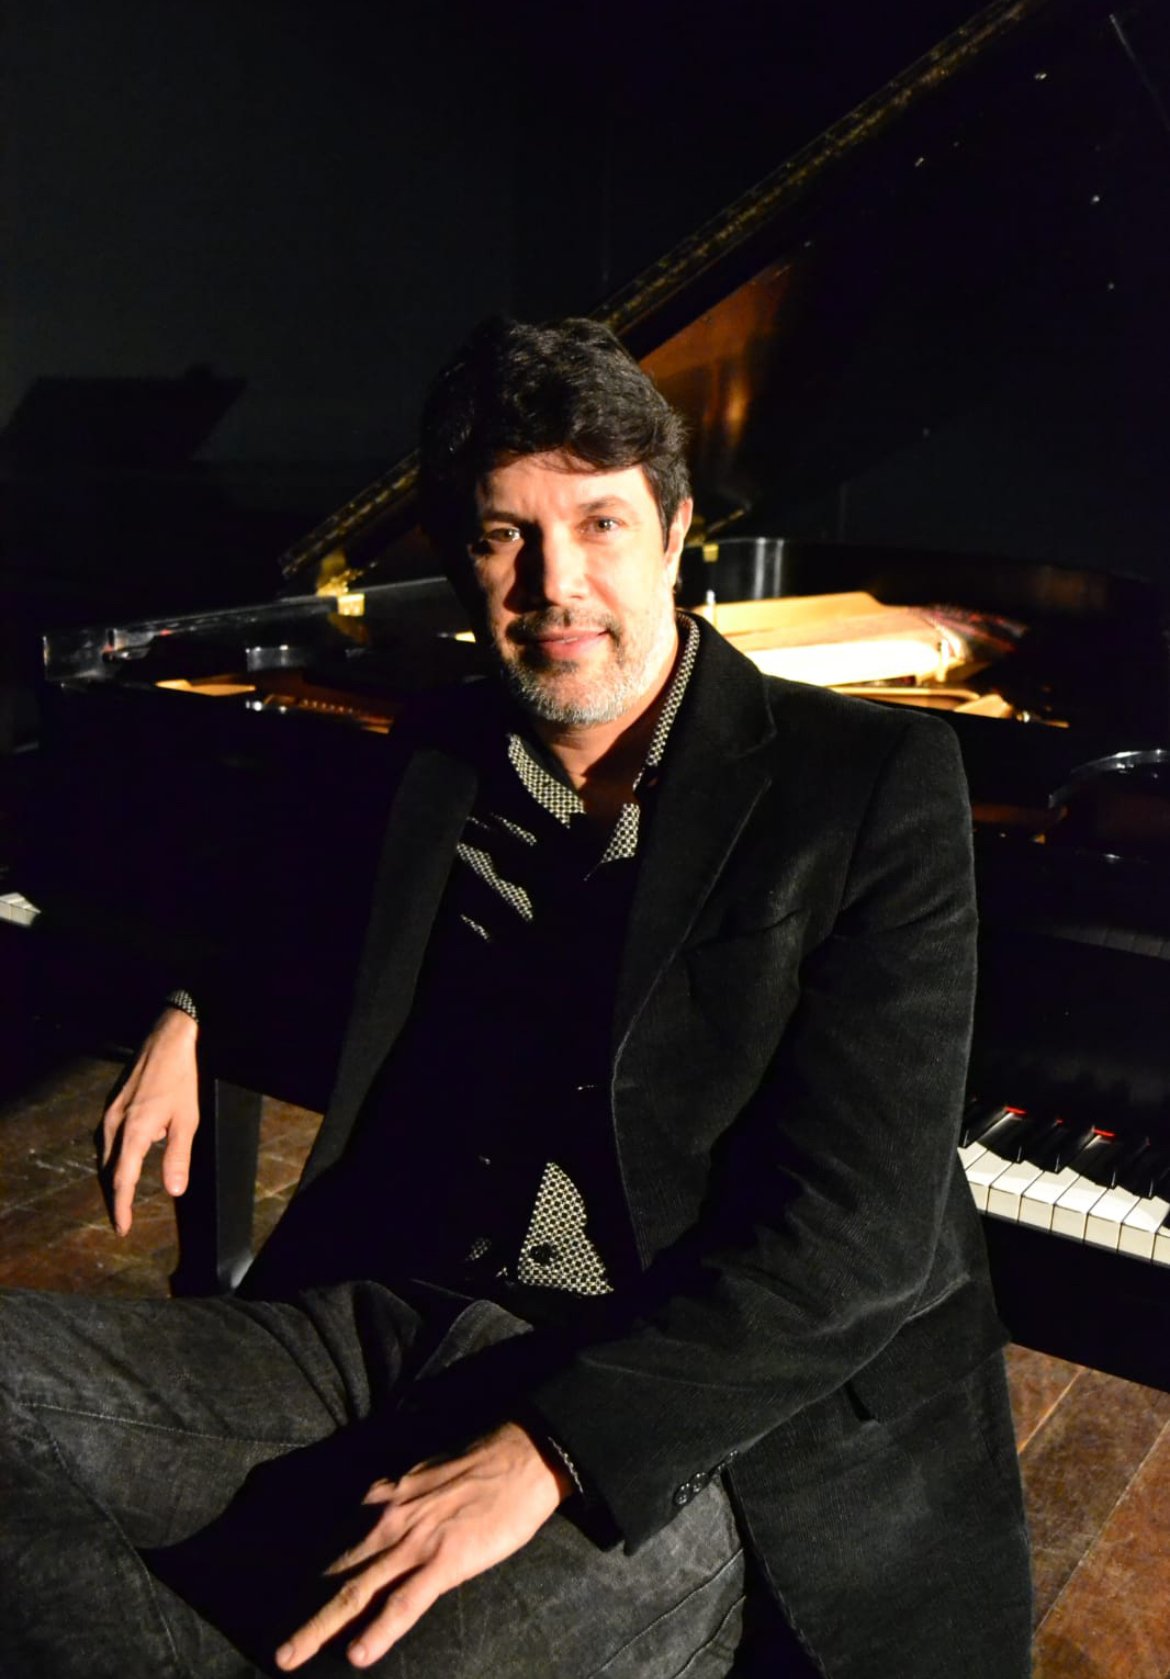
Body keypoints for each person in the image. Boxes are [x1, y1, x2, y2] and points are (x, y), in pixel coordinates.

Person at [0, 317, 1031, 1678]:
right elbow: (288, 905)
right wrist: (195, 1007)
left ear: (675, 536)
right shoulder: (439, 748)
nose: (557, 582)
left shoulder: (867, 785)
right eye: (506, 536)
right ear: (458, 560)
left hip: (677, 1399)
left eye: (599, 524)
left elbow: (858, 1238)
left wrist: (556, 1448)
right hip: (406, 1313)